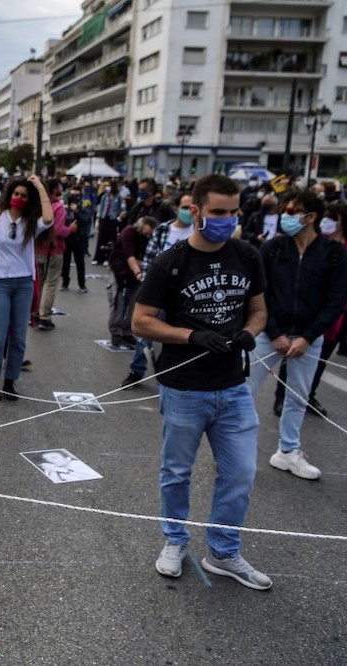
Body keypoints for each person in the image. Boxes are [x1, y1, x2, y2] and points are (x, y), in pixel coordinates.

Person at [132, 174, 271, 590]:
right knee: (177, 471)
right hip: (184, 386)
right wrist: (191, 336)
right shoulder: (170, 262)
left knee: (241, 473)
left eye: (233, 212)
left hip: (233, 387)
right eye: (218, 213)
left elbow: (259, 310)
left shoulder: (247, 256)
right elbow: (140, 321)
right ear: (196, 211)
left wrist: (250, 331)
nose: (227, 220)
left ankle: (224, 552)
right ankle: (174, 540)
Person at [246, 191, 347, 480]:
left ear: (311, 217)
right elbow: (261, 293)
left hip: (309, 337)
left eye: (293, 211)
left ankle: (288, 451)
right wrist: (274, 332)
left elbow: (335, 301)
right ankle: (239, 451)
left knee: (297, 396)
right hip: (268, 332)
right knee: (244, 392)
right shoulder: (273, 248)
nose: (286, 215)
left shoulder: (334, 253)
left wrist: (308, 337)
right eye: (285, 210)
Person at [0, 176, 54, 400]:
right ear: (10, 194)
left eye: (24, 195)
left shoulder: (32, 221)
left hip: (23, 283)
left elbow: (48, 218)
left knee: (19, 337)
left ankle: (10, 381)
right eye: (16, 194)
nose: (19, 198)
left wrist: (39, 186)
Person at [121, 193, 195, 388]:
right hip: (160, 293)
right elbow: (149, 261)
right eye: (185, 207)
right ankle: (136, 371)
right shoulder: (163, 230)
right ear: (177, 208)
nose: (188, 211)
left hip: (186, 298)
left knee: (179, 339)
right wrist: (148, 289)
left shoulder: (199, 231)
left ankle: (170, 376)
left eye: (192, 207)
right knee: (145, 337)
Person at [107, 216, 160, 350]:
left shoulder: (151, 238)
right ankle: (116, 332)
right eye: (148, 231)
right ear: (142, 225)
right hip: (120, 268)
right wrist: (138, 272)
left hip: (138, 271)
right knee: (117, 301)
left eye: (151, 233)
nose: (149, 235)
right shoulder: (129, 232)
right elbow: (129, 255)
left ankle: (127, 331)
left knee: (135, 303)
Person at [34, 179, 72, 331]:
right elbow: (58, 230)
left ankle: (35, 312)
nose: (62, 188)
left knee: (40, 282)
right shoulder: (58, 207)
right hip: (53, 250)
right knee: (50, 283)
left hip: (38, 249)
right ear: (55, 189)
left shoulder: (39, 205)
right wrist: (70, 229)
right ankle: (45, 316)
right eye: (60, 186)